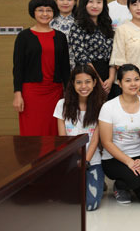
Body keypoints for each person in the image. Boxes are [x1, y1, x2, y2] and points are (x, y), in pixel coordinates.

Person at [99, 64, 140, 204]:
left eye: (136, 79)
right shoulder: (108, 107)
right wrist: (130, 163)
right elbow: (106, 142)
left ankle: (130, 182)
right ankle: (120, 186)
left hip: (138, 155)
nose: (133, 84)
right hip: (114, 158)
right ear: (119, 83)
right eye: (128, 80)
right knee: (136, 179)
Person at [13, 0, 70, 136]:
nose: (45, 14)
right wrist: (17, 94)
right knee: (32, 131)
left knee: (54, 130)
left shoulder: (60, 37)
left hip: (55, 92)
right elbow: (18, 67)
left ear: (53, 13)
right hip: (31, 92)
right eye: (40, 10)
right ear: (33, 12)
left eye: (48, 10)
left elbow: (65, 68)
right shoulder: (24, 36)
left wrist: (69, 93)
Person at [53, 64, 106, 211]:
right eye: (79, 82)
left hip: (91, 159)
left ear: (94, 82)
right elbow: (63, 138)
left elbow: (95, 140)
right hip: (72, 157)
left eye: (88, 82)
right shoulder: (62, 105)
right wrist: (77, 158)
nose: (83, 86)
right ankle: (89, 182)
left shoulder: (102, 106)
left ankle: (96, 181)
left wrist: (85, 161)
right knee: (67, 200)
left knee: (90, 205)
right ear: (72, 83)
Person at [68, 0, 115, 96]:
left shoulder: (107, 25)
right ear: (84, 3)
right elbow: (82, 57)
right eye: (91, 2)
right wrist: (97, 80)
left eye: (99, 2)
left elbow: (114, 54)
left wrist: (111, 79)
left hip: (108, 76)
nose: (95, 6)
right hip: (87, 76)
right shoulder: (77, 26)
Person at [50, 0, 77, 69]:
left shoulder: (81, 22)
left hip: (77, 68)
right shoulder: (49, 22)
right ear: (56, 1)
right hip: (54, 66)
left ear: (75, 2)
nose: (65, 3)